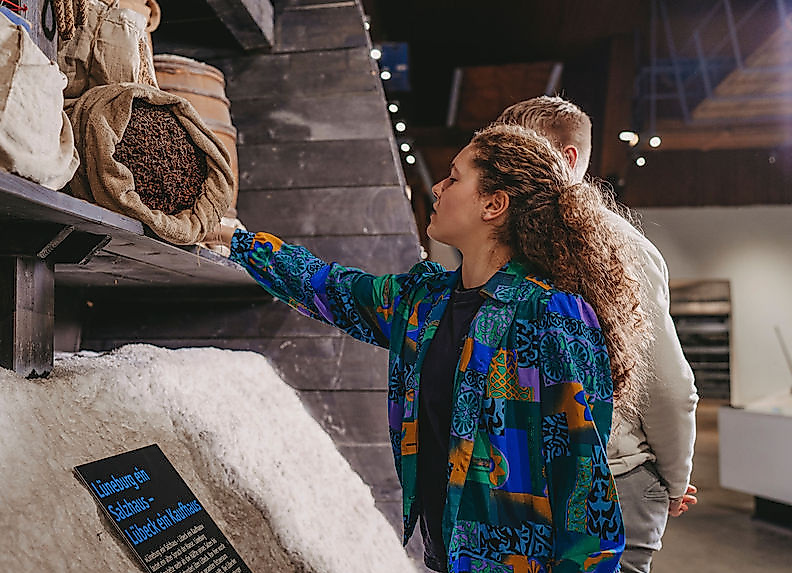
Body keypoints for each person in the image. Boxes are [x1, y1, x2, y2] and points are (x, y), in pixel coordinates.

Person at [217, 123, 649, 572]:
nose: (438, 188)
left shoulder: (552, 316)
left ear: (493, 204)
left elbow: (585, 492)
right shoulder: (425, 301)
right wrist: (239, 243)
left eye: (455, 177)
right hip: (445, 558)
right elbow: (335, 289)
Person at [495, 96, 699, 573]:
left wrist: (672, 480)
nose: (507, 171)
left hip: (612, 479)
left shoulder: (620, 248)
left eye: (522, 154)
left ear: (567, 160)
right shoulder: (505, 246)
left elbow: (667, 387)